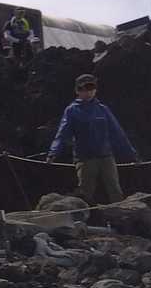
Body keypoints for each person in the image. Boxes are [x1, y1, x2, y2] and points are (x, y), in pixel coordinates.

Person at [48, 73, 137, 204]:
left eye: (91, 88)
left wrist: (132, 155)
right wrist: (53, 153)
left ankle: (121, 214)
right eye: (84, 88)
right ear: (77, 90)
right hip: (85, 159)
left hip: (106, 156)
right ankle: (86, 215)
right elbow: (62, 134)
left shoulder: (103, 109)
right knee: (86, 192)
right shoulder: (71, 110)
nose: (88, 92)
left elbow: (118, 134)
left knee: (115, 189)